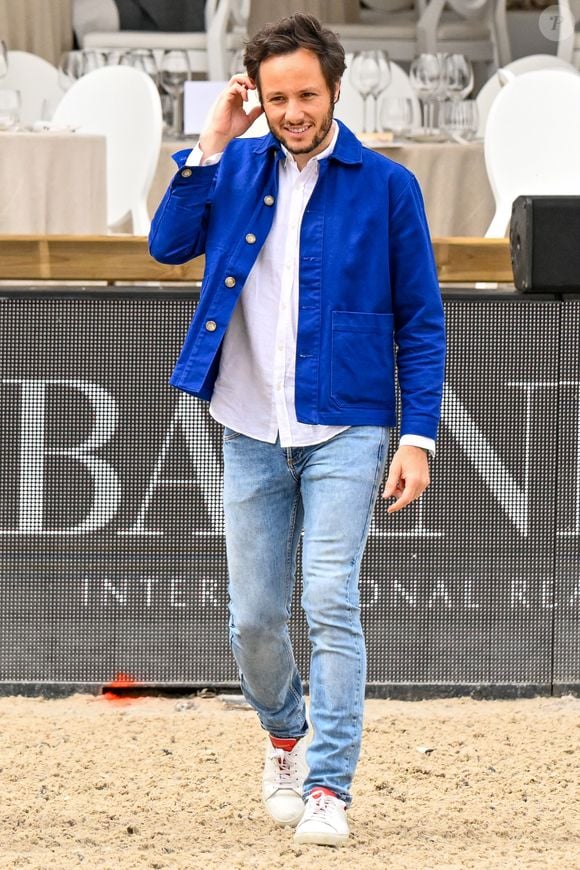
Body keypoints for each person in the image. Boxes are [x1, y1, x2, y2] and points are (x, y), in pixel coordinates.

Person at [149, 13, 445, 848]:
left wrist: (417, 436)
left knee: (330, 600)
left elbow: (421, 321)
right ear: (260, 98)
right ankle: (285, 735)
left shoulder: (387, 185)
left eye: (306, 94)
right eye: (276, 97)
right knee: (253, 619)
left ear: (335, 90)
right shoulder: (235, 165)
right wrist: (209, 142)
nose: (292, 110)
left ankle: (327, 785)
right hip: (246, 425)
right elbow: (168, 245)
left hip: (346, 425)